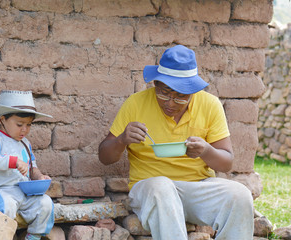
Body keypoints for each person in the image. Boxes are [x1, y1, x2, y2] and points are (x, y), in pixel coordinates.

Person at [98, 45, 254, 240]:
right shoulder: (135, 104)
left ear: (193, 91)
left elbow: (227, 163)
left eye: (181, 96)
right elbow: (104, 157)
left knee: (239, 194)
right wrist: (122, 140)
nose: (170, 103)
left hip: (196, 187)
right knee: (162, 187)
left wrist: (205, 151)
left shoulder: (210, 105)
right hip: (150, 189)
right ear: (155, 83)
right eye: (164, 93)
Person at [0, 90, 54, 240]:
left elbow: (32, 167)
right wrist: (13, 162)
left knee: (45, 203)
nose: (24, 130)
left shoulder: (25, 143)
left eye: (28, 125)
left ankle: (33, 236)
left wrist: (39, 176)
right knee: (6, 207)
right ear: (2, 119)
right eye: (19, 124)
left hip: (23, 192)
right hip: (0, 191)